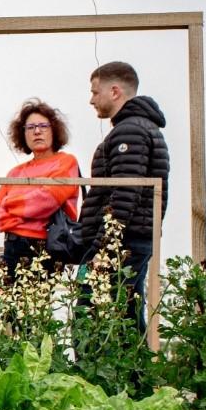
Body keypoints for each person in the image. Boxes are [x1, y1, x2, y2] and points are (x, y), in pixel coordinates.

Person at [78, 61, 170, 333]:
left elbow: (125, 193)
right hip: (131, 238)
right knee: (125, 312)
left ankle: (131, 375)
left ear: (115, 91)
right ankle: (134, 373)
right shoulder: (138, 127)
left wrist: (102, 247)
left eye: (95, 92)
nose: (91, 99)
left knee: (100, 315)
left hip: (123, 241)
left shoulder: (130, 131)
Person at [0, 99, 82, 286]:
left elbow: (45, 201)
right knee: (9, 310)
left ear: (54, 130)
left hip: (44, 247)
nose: (37, 131)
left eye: (43, 126)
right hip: (12, 247)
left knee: (35, 309)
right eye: (30, 127)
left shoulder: (66, 162)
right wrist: (23, 212)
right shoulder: (15, 172)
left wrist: (10, 204)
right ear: (22, 133)